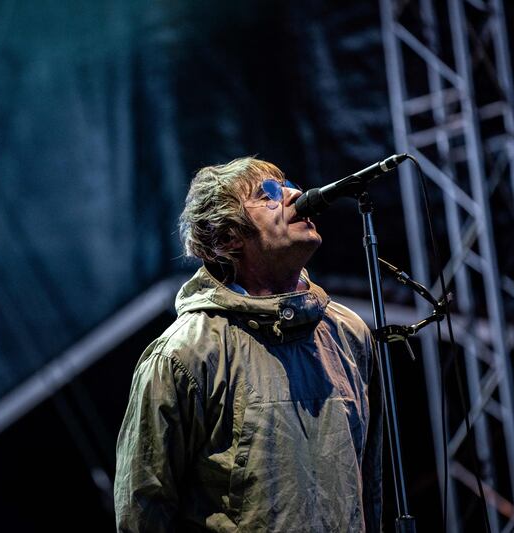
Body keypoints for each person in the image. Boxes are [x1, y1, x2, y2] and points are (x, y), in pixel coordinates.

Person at [114, 157, 382, 532]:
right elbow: (143, 510)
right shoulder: (184, 354)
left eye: (288, 184)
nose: (295, 195)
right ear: (227, 238)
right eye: (269, 194)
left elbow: (368, 488)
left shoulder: (348, 333)